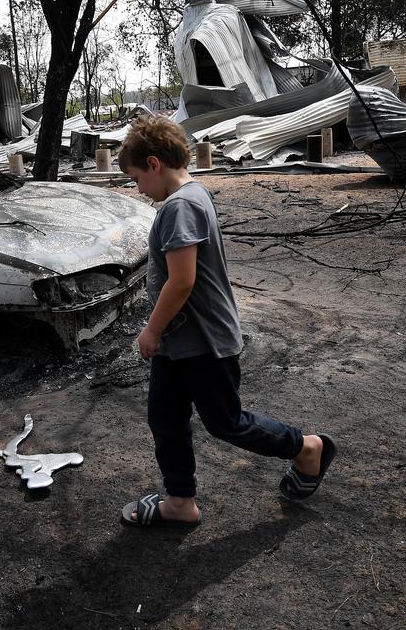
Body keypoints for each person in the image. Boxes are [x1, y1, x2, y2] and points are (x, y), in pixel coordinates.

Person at [118, 115, 336, 529]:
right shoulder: (192, 196)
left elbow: (182, 282)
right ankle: (180, 501)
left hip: (203, 343)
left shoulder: (181, 206)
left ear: (153, 164)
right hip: (180, 343)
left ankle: (306, 448)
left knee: (226, 422)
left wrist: (151, 330)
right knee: (164, 417)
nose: (139, 190)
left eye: (135, 179)